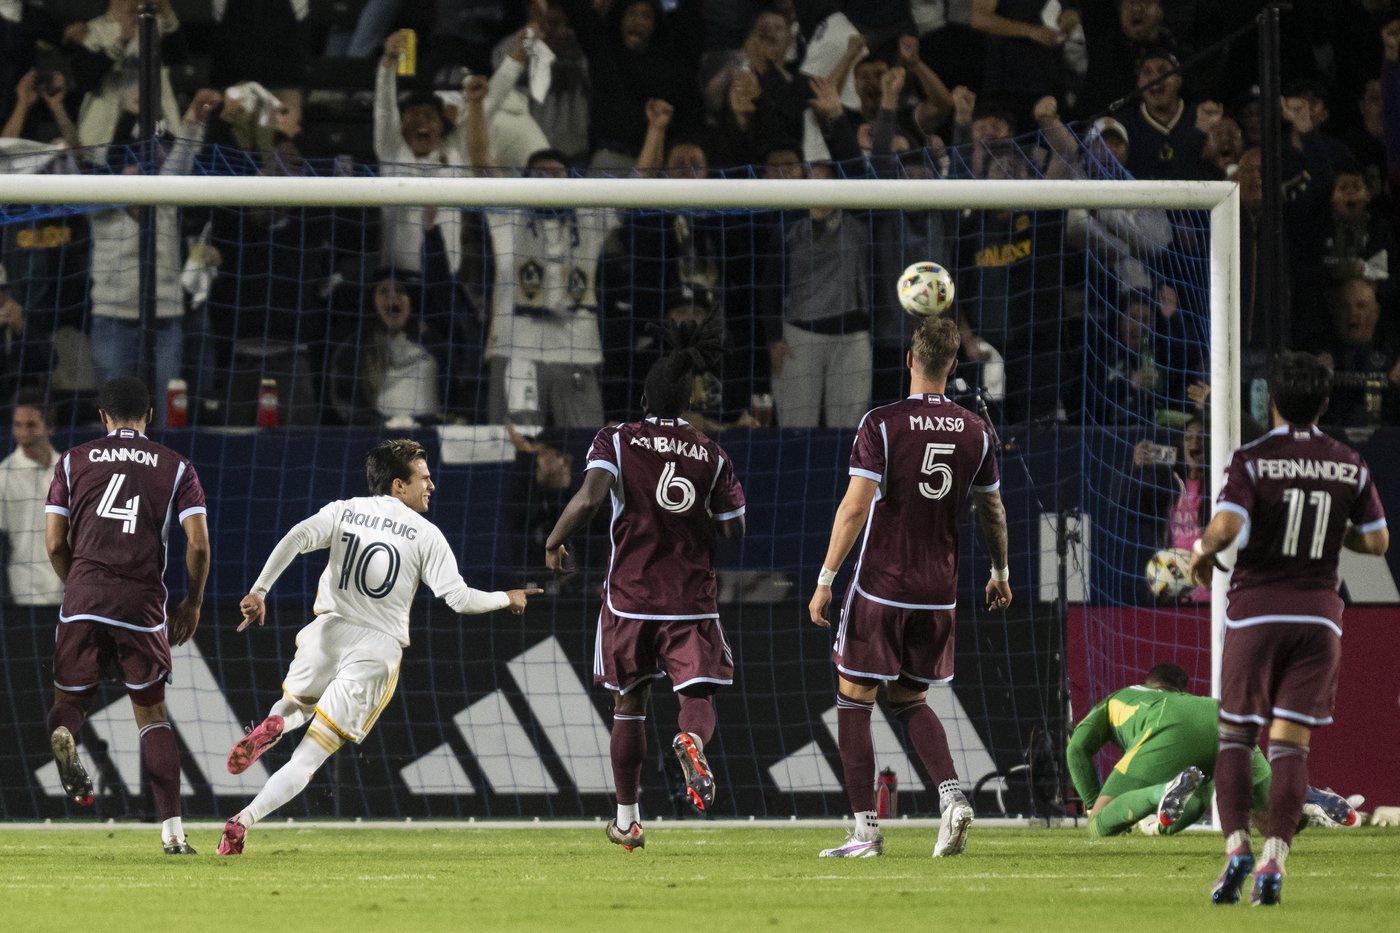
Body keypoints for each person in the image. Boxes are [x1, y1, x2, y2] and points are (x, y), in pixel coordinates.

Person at [216, 439, 541, 854]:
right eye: (424, 478)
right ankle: (243, 820)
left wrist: (260, 590)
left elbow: (296, 537)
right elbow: (459, 599)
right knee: (310, 759)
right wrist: (505, 597)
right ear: (398, 485)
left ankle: (275, 723)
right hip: (376, 648)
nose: (432, 486)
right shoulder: (426, 534)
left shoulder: (344, 509)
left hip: (326, 630)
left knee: (295, 705)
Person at [808, 314, 1011, 858]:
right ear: (952, 366)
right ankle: (951, 797)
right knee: (910, 699)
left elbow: (854, 508)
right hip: (938, 593)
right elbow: (992, 507)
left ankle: (866, 831)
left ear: (910, 361)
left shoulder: (882, 423)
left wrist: (826, 578)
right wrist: (1000, 573)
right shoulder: (976, 430)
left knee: (854, 700)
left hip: (881, 587)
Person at [1190, 351, 1389, 906]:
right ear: (1325, 402)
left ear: (1270, 401)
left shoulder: (1253, 458)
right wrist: (1333, 535)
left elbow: (1229, 524)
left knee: (1234, 737)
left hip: (1257, 614)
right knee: (1290, 747)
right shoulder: (1349, 462)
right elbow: (1376, 543)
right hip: (1319, 619)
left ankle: (1235, 849)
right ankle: (1275, 859)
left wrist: (1205, 548)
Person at [543, 318, 746, 851]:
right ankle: (691, 740)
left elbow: (589, 498)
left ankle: (628, 819)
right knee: (697, 693)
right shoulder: (711, 452)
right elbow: (735, 529)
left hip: (629, 597)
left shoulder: (617, 436)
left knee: (629, 705)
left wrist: (553, 540)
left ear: (643, 397)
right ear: (688, 400)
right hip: (689, 600)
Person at [42, 377, 210, 854]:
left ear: (103, 417)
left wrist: (78, 585)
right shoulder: (177, 467)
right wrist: (192, 602)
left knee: (70, 701)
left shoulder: (73, 461)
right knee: (152, 716)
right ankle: (173, 835)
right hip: (140, 606)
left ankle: (64, 733)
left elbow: (54, 542)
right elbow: (197, 543)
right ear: (150, 416)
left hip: (83, 596)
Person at [1067, 662, 1358, 837]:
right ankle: (1303, 795)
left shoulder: (1121, 699)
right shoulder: (1193, 703)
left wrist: (1093, 801)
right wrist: (1162, 826)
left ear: (1151, 685)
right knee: (1272, 825)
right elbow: (1195, 802)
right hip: (1223, 716)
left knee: (1097, 824)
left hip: (1168, 728)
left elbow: (1076, 749)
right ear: (1180, 689)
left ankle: (1158, 792)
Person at [0, 390, 63, 608]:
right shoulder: (3, 476)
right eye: (17, 425)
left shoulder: (70, 472)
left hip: (69, 592)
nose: (23, 433)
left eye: (31, 425)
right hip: (24, 594)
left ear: (50, 428)